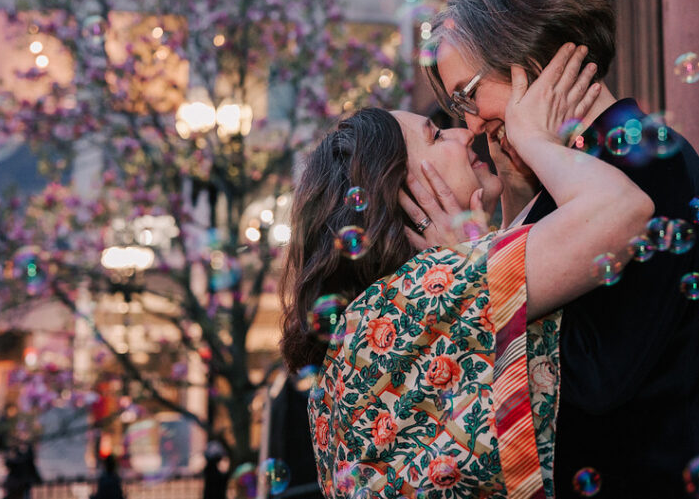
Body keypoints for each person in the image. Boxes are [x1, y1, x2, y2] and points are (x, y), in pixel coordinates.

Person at [422, 0, 699, 499]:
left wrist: (465, 284)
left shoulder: (645, 159)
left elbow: (597, 379)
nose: (471, 124)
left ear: (527, 54)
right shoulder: (572, 172)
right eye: (457, 106)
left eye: (468, 94)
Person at [279, 44, 653, 497]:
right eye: (436, 136)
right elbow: (623, 210)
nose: (463, 133)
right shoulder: (430, 287)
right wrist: (532, 138)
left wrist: (508, 199)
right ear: (399, 191)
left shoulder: (381, 312)